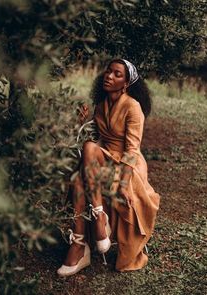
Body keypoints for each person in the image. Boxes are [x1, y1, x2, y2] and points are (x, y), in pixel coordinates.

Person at [57, 58, 160, 276]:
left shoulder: (133, 107)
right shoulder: (101, 104)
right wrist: (82, 121)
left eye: (117, 74)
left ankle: (94, 223)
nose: (109, 76)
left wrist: (123, 184)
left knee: (85, 159)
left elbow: (132, 151)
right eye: (108, 71)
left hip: (126, 164)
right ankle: (80, 244)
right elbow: (96, 136)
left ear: (126, 83)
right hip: (102, 158)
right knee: (79, 174)